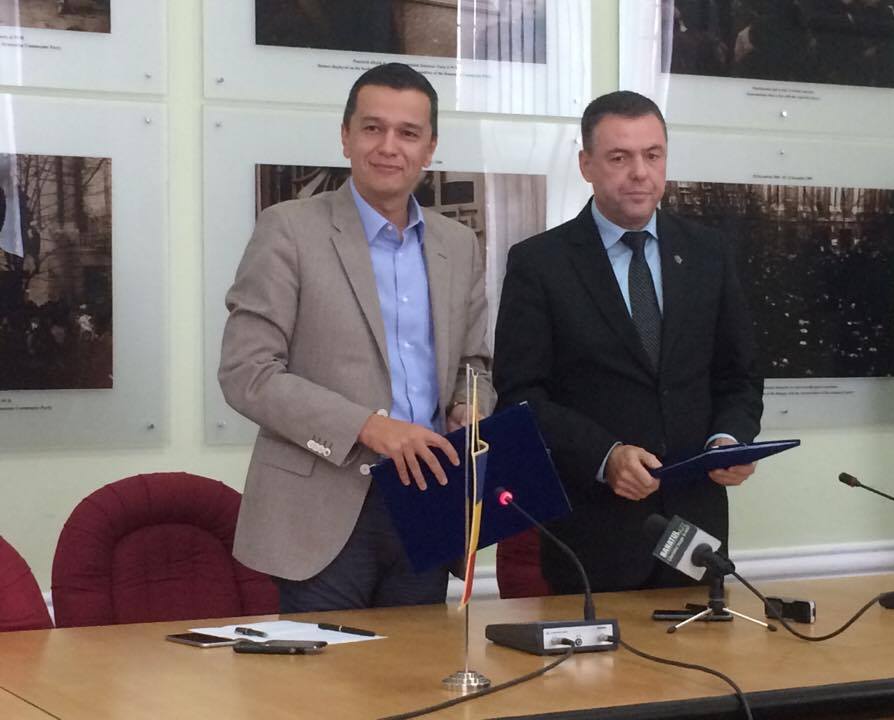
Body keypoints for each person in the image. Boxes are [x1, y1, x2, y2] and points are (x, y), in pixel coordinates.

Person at [219, 62, 493, 612]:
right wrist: (370, 427)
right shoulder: (288, 229)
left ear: (430, 148)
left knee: (417, 665)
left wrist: (470, 406)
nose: (389, 146)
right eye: (373, 128)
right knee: (326, 671)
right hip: (320, 512)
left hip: (428, 502)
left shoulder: (458, 244)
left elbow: (475, 364)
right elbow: (248, 373)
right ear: (345, 137)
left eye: (408, 133)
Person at [493, 91, 763, 594]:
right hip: (593, 534)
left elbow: (739, 377)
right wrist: (605, 455)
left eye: (652, 155)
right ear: (586, 165)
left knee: (704, 648)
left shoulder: (709, 253)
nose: (640, 172)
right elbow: (520, 395)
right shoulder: (540, 263)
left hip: (696, 528)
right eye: (619, 158)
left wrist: (728, 440)